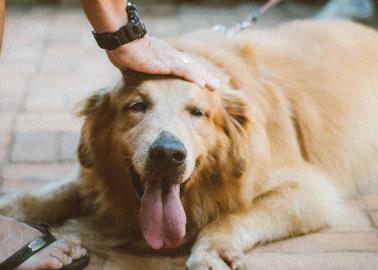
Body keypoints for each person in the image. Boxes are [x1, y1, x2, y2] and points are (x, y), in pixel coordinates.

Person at [0, 0, 219, 270]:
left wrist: (228, 234)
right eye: (138, 106)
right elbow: (97, 161)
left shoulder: (235, 116)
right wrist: (126, 37)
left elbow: (287, 194)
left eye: (195, 111)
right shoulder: (102, 119)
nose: (166, 147)